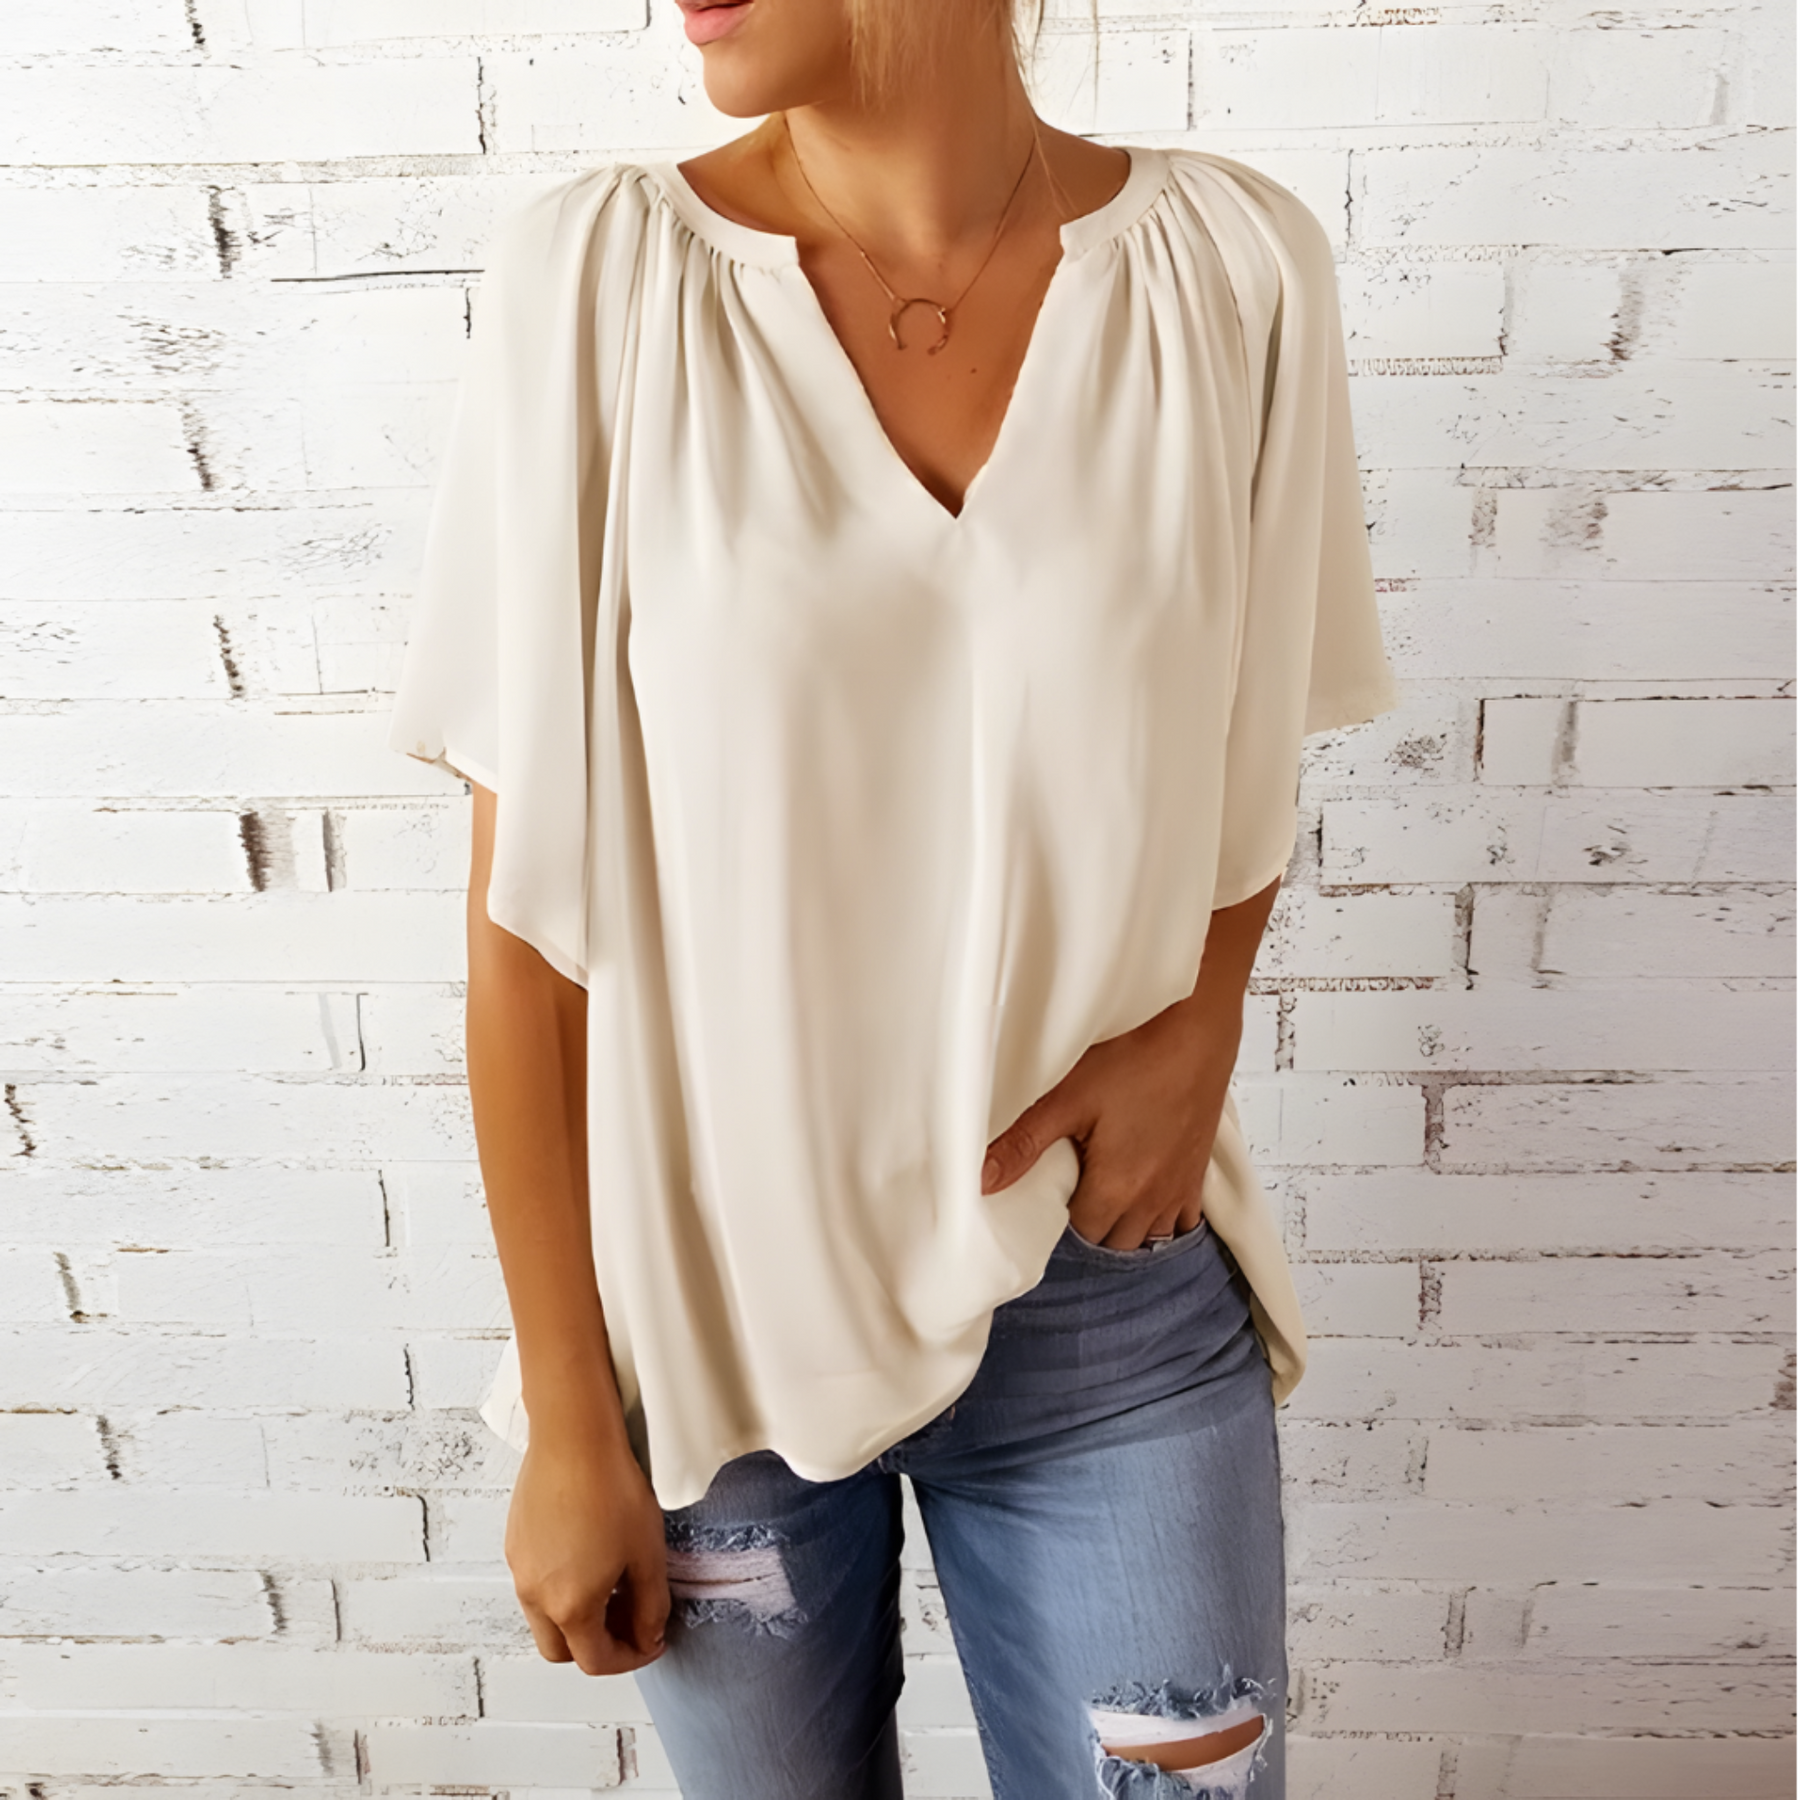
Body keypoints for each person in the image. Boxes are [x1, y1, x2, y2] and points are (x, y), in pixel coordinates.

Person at [390, 0, 1398, 1789]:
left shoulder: (1231, 268)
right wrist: (567, 1412)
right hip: (710, 1332)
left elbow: (1247, 740)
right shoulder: (603, 283)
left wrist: (1206, 1018)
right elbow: (526, 932)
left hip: (1107, 1291)